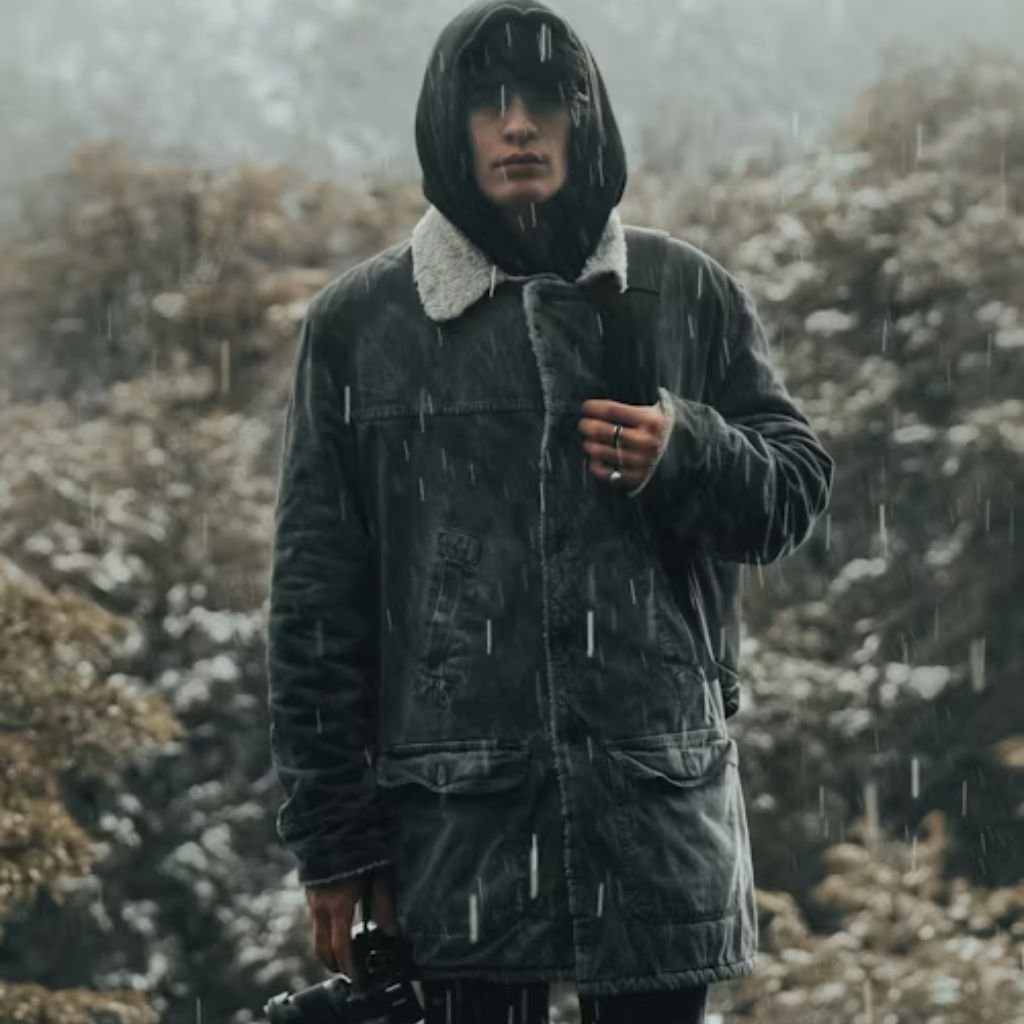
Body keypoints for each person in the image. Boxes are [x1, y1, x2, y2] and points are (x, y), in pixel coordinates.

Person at [265, 1, 835, 1022]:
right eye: (488, 103)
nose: (518, 125)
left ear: (586, 120)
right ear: (449, 128)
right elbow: (316, 603)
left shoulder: (683, 289)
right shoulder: (361, 323)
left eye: (543, 100)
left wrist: (687, 450)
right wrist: (334, 847)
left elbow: (792, 496)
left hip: (657, 807)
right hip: (453, 824)